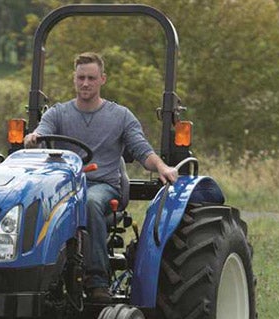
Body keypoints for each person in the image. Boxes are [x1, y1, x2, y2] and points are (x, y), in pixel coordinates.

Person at [24, 52, 177, 303]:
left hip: (102, 185)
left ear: (102, 79)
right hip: (65, 186)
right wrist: (33, 138)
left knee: (90, 202)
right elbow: (41, 133)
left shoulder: (120, 116)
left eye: (91, 78)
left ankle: (97, 281)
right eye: (81, 77)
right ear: (74, 79)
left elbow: (142, 150)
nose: (86, 83)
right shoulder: (58, 114)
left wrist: (161, 167)